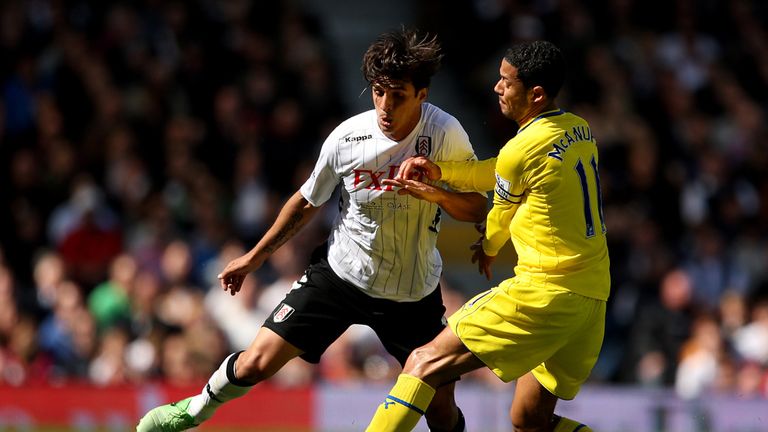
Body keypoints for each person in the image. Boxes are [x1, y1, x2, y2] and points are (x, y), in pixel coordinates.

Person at [136, 28, 487, 432]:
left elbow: (477, 206)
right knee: (257, 361)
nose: (385, 106)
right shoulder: (348, 138)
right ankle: (191, 413)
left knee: (440, 411)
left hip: (412, 294)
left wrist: (435, 194)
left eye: (398, 95)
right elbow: (305, 202)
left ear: (421, 95)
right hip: (340, 277)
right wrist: (255, 257)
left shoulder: (445, 135)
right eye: (377, 92)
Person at [366, 40, 610, 432]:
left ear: (536, 94)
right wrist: (440, 170)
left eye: (506, 82)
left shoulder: (522, 149)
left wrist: (488, 248)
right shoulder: (578, 129)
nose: (497, 87)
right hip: (592, 297)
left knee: (423, 363)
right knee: (529, 420)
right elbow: (498, 169)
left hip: (545, 293)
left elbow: (498, 217)